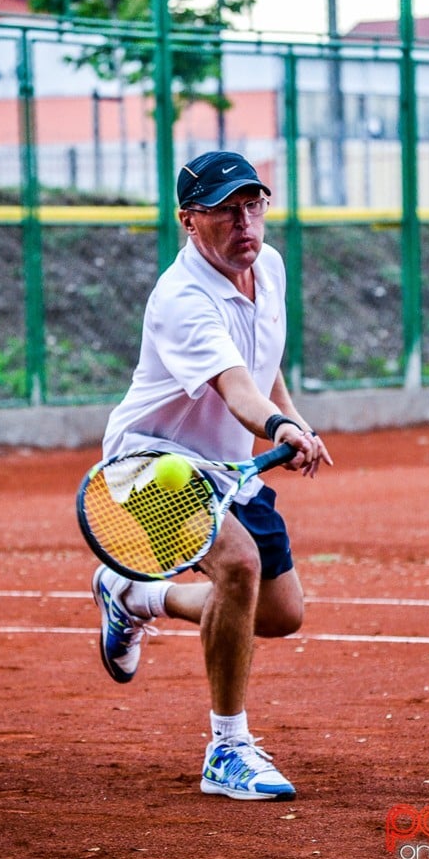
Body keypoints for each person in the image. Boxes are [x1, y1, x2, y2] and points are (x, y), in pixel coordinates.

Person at [92, 150, 333, 801]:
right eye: (226, 210)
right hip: (149, 465)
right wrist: (277, 427)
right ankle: (227, 750)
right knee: (239, 567)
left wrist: (292, 415)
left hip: (225, 469)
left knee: (280, 615)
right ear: (188, 221)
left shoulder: (268, 266)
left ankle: (135, 596)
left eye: (253, 205)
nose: (244, 222)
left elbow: (260, 362)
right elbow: (234, 388)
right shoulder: (182, 297)